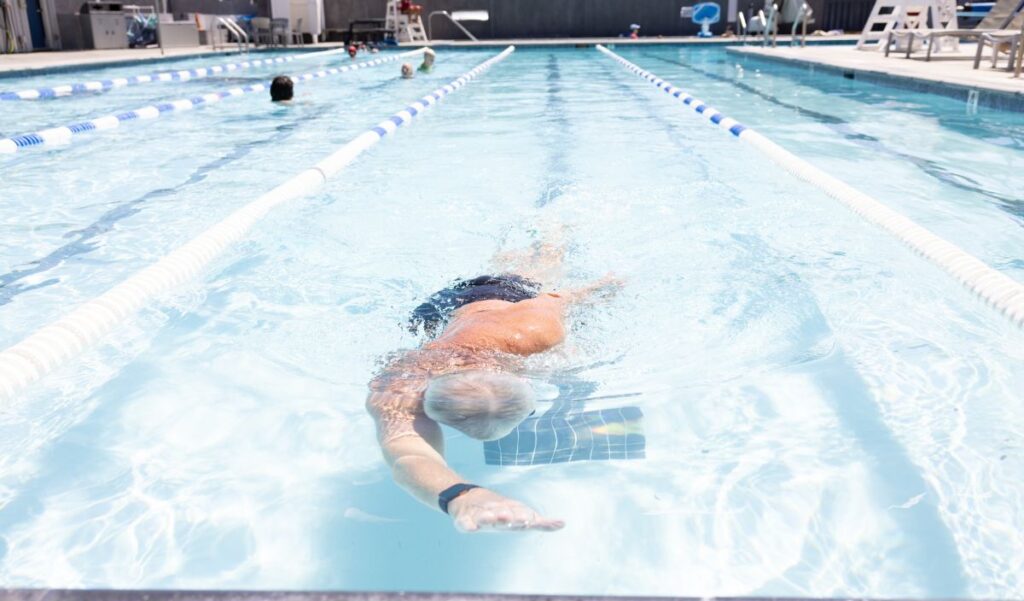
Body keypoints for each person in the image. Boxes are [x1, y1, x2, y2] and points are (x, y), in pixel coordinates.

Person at [366, 235, 620, 533]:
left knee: (544, 269)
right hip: (462, 305)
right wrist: (462, 497)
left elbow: (561, 297)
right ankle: (548, 232)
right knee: (545, 274)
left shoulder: (533, 330)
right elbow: (406, 456)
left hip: (469, 303)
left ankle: (548, 231)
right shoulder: (401, 376)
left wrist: (606, 287)